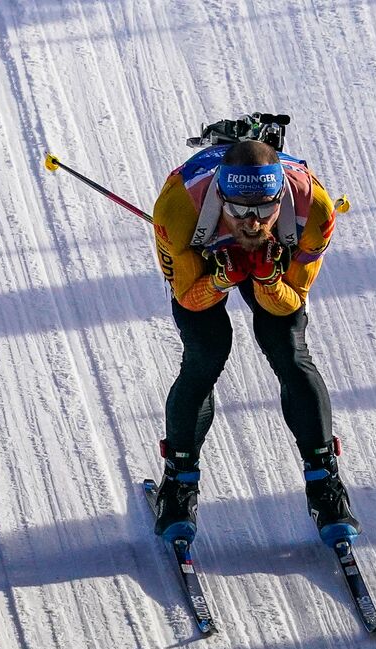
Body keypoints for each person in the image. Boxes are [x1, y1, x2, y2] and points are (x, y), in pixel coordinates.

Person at [149, 138, 359, 546]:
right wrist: (224, 277)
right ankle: (179, 483)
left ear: (282, 195)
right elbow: (189, 298)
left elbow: (289, 304)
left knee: (289, 351)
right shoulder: (177, 210)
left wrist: (265, 279)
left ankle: (325, 483)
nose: (252, 223)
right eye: (238, 210)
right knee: (206, 353)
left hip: (268, 267)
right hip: (203, 255)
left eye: (265, 208)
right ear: (220, 198)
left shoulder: (314, 208)